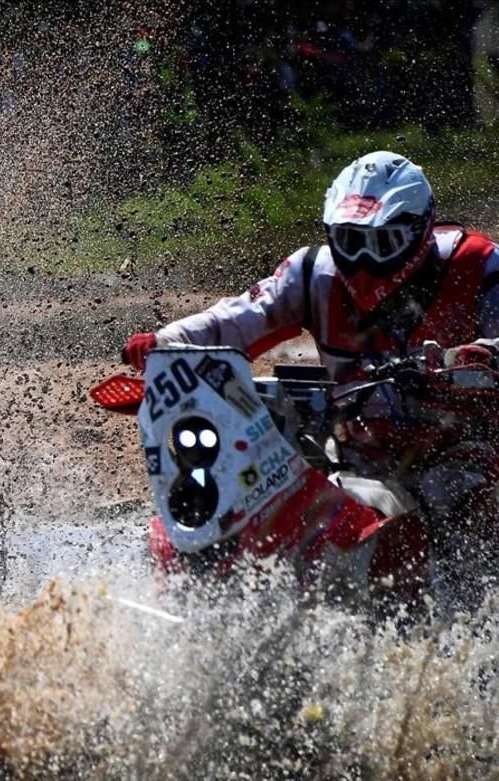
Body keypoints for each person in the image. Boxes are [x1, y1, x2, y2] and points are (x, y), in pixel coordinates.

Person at [121, 151, 499, 602]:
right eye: (348, 240)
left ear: (418, 232)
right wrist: (165, 342)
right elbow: (233, 322)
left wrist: (481, 355)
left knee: (457, 496)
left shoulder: (481, 267)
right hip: (365, 454)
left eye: (380, 243)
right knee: (303, 502)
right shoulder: (314, 273)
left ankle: (474, 623)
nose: (360, 261)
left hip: (468, 446)